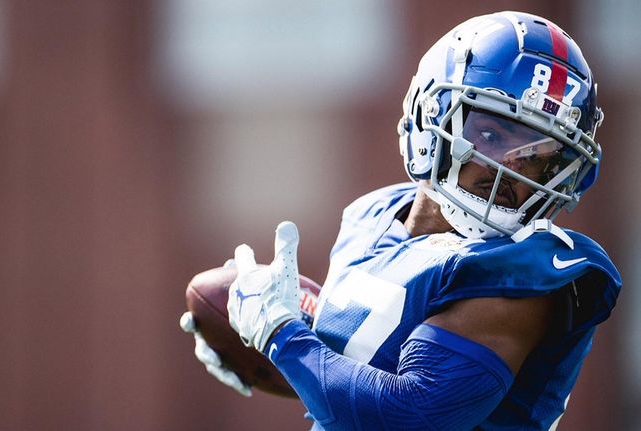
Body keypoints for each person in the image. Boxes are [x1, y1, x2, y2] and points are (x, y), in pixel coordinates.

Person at [180, 10, 622, 430]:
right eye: (490, 135)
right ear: (429, 119)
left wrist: (280, 334)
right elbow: (373, 363)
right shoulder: (372, 216)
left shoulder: (519, 275)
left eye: (537, 158)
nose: (510, 169)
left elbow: (408, 418)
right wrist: (259, 333)